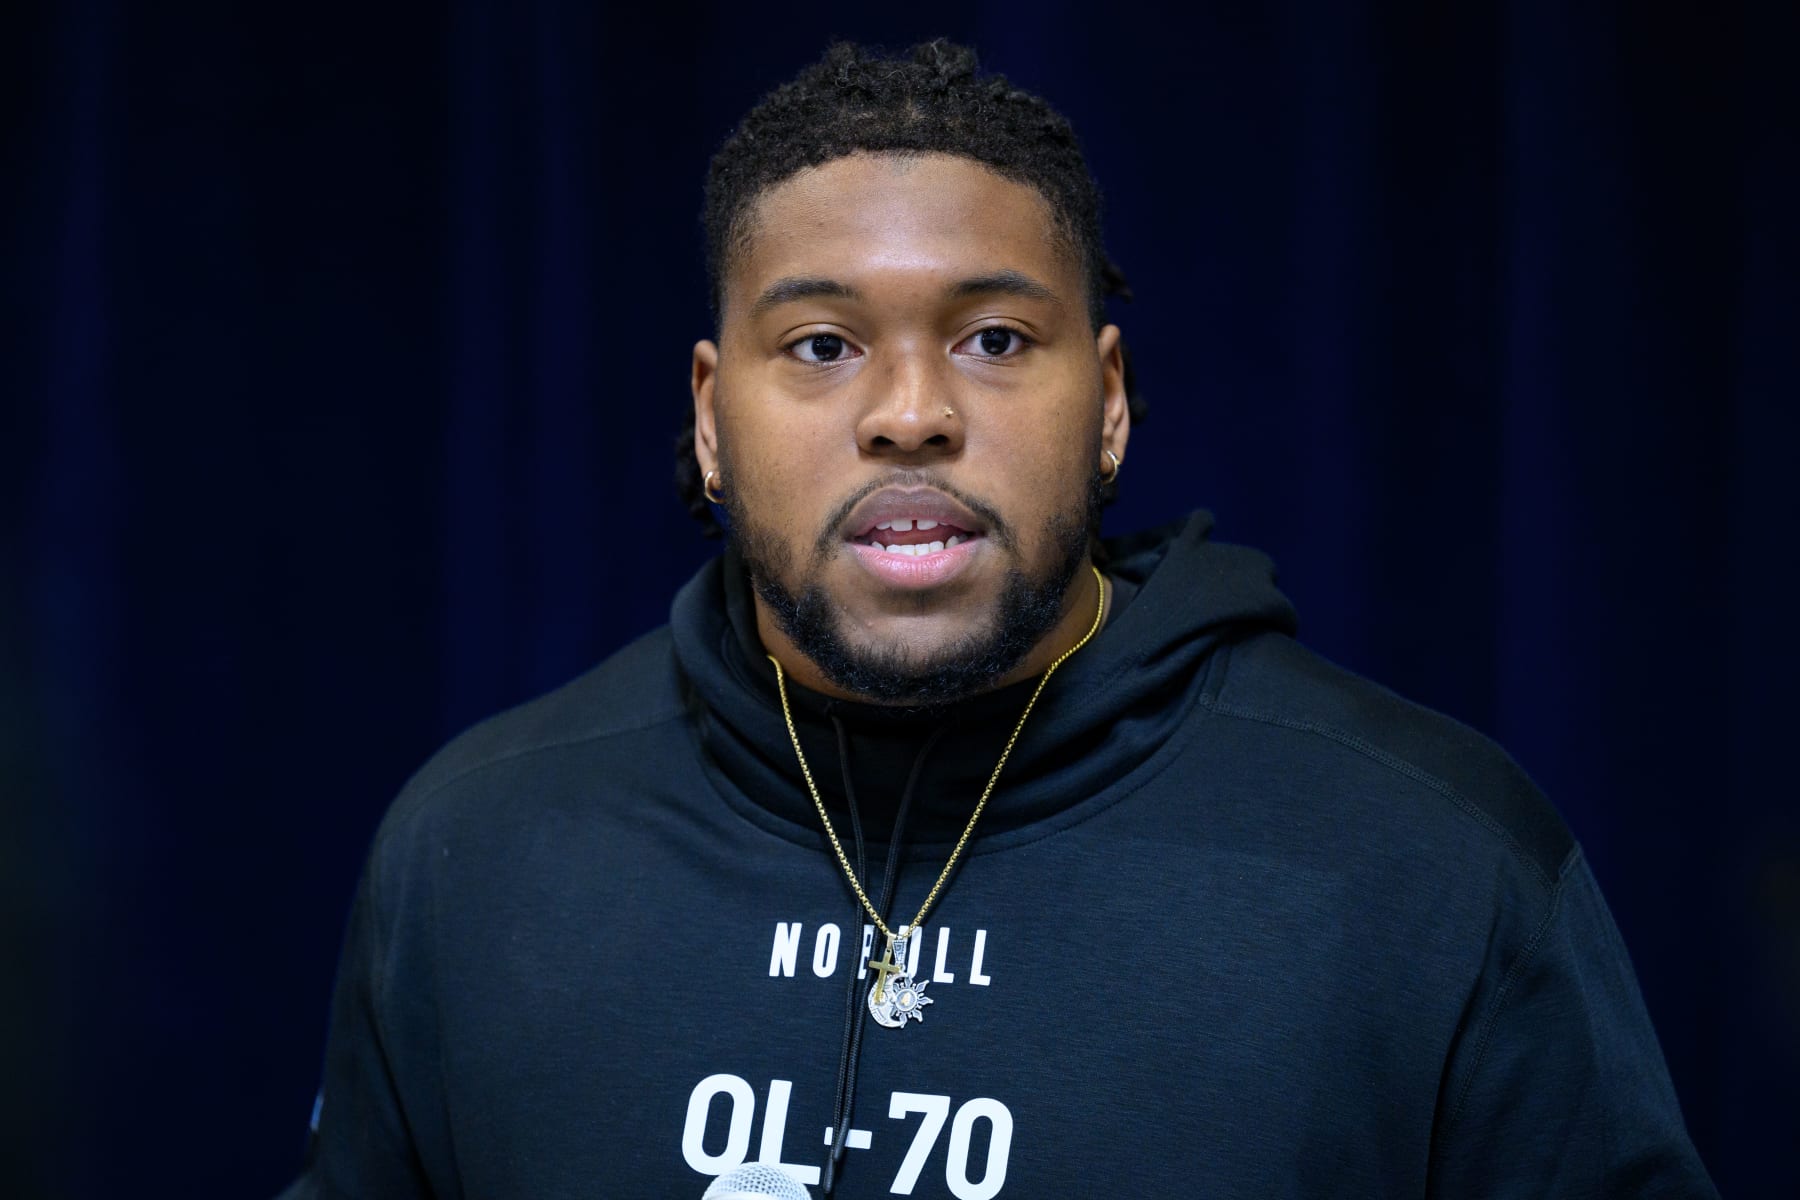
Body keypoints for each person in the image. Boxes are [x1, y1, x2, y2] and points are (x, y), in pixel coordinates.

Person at [282, 40, 1716, 1199]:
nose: (912, 415)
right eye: (825, 346)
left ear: (1109, 403)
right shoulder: (476, 846)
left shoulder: (1436, 863)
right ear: (712, 420)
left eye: (993, 340)